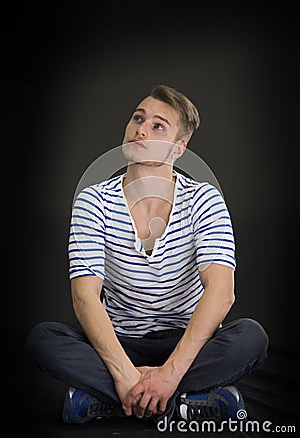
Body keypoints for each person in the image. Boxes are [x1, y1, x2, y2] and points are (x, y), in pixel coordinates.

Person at [26, 85, 269, 426]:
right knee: (43, 339)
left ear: (178, 148)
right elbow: (85, 297)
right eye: (138, 118)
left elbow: (221, 292)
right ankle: (186, 402)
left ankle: (113, 401)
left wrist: (168, 375)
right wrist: (124, 373)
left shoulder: (203, 199)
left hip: (188, 343)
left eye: (158, 126)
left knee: (251, 337)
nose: (140, 128)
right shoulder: (93, 201)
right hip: (120, 342)